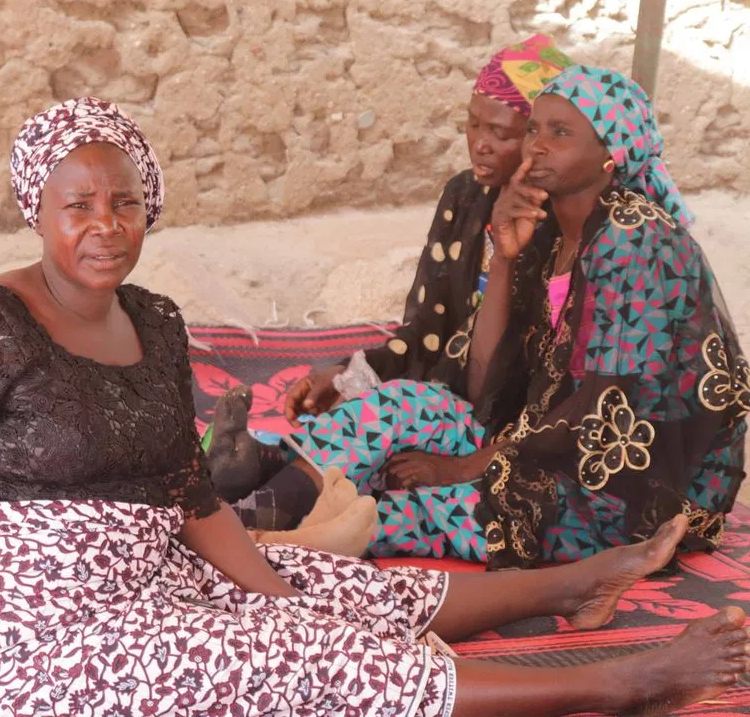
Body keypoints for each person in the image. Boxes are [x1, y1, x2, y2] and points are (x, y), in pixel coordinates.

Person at [0, 98, 748, 717]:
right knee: (300, 658)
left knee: (329, 590)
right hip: (24, 633)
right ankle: (618, 682)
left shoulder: (151, 316)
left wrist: (274, 585)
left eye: (122, 204)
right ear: (34, 213)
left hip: (146, 563)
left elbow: (186, 483)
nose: (103, 227)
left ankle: (578, 581)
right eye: (75, 207)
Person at [248, 66, 747, 567]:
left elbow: (602, 410)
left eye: (561, 132)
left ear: (612, 156)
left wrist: (461, 468)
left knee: (425, 507)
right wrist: (505, 257)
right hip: (531, 438)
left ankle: (274, 545)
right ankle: (253, 512)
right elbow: (484, 380)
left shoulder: (635, 240)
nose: (538, 146)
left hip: (614, 484)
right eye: (535, 129)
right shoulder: (547, 228)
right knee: (398, 405)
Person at [209, 35, 573, 553]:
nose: (480, 143)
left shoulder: (565, 231)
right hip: (452, 409)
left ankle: (252, 508)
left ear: (540, 141)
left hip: (506, 435)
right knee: (372, 420)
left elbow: (558, 394)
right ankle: (257, 484)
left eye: (500, 132)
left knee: (395, 426)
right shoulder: (464, 196)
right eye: (473, 123)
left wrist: (466, 460)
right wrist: (350, 375)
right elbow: (426, 329)